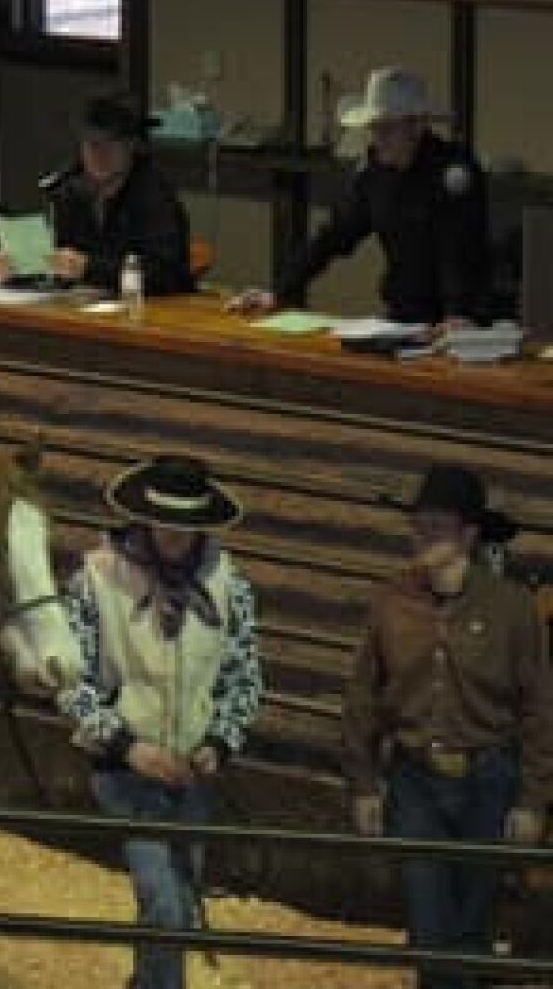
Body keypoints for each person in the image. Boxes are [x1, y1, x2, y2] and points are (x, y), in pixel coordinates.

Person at [340, 463, 552, 989]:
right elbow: (363, 695)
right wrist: (364, 782)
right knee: (428, 916)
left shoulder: (512, 609)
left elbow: (539, 707)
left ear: (468, 534)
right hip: (415, 777)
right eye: (421, 524)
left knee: (474, 917)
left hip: (490, 776)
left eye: (437, 526)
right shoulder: (392, 601)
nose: (423, 535)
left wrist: (531, 799)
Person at [56, 454, 262, 989]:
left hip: (192, 773)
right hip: (128, 772)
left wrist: (218, 743)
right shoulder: (95, 580)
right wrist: (127, 747)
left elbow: (243, 677)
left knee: (176, 910)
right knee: (166, 906)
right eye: (166, 523)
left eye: (186, 526)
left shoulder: (229, 586)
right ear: (145, 520)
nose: (175, 535)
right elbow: (71, 683)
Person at [229, 66, 492, 327]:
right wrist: (279, 291)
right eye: (373, 129)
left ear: (417, 125)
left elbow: (457, 250)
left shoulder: (453, 170)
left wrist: (458, 315)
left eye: (386, 129)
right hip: (404, 314)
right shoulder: (374, 174)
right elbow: (333, 236)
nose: (377, 139)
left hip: (461, 321)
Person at [34, 93, 193, 295]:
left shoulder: (154, 195)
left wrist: (89, 268)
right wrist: (22, 267)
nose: (100, 153)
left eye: (111, 143)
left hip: (150, 311)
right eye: (91, 144)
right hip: (84, 309)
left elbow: (166, 275)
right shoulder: (68, 189)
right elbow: (55, 258)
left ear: (131, 145)